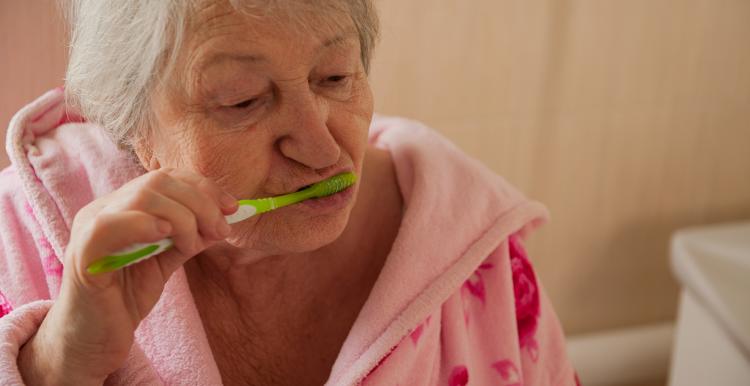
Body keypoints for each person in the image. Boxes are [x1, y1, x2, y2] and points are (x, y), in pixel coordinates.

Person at [0, 1, 577, 385]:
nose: (324, 150)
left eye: (336, 77)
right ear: (133, 127)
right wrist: (61, 359)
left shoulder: (479, 250)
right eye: (242, 100)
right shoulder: (16, 239)